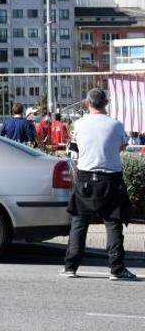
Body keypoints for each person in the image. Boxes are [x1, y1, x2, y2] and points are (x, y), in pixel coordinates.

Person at [63, 88, 137, 281]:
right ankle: (116, 268)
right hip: (111, 178)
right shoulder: (116, 125)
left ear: (87, 103)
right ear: (106, 102)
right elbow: (122, 146)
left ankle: (71, 266)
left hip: (85, 177)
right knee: (113, 223)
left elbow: (73, 149)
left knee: (79, 223)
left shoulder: (78, 124)